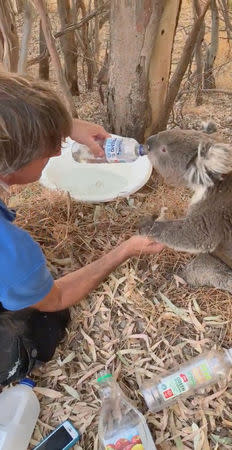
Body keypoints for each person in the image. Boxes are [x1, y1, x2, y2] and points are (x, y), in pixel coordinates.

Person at [0, 72, 164, 386]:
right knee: (42, 324)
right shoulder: (11, 249)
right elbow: (57, 297)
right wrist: (124, 250)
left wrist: (66, 126)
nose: (54, 153)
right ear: (13, 166)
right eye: (46, 152)